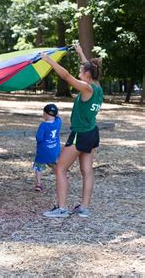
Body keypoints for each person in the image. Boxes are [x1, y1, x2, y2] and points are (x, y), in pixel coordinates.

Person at [41, 44, 103, 218]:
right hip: (92, 133)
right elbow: (89, 67)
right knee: (87, 170)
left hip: (80, 134)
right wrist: (81, 52)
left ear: (87, 75)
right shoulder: (97, 86)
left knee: (60, 168)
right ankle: (84, 208)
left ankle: (61, 209)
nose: (79, 70)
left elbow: (66, 76)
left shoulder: (87, 88)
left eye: (82, 70)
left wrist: (48, 60)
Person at [33, 104, 62, 192]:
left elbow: (39, 138)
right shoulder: (58, 122)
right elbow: (58, 117)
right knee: (54, 165)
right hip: (54, 150)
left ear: (45, 114)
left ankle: (38, 183)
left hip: (43, 152)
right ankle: (61, 179)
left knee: (39, 166)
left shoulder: (43, 125)